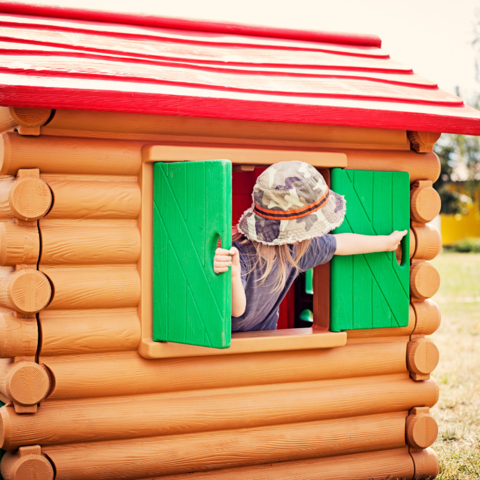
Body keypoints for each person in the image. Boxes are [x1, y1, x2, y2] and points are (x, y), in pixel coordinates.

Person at [213, 161, 407, 332]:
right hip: (231, 344)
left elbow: (342, 243)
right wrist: (233, 275)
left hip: (265, 339)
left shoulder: (295, 250)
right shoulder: (241, 254)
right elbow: (236, 311)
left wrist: (385, 243)